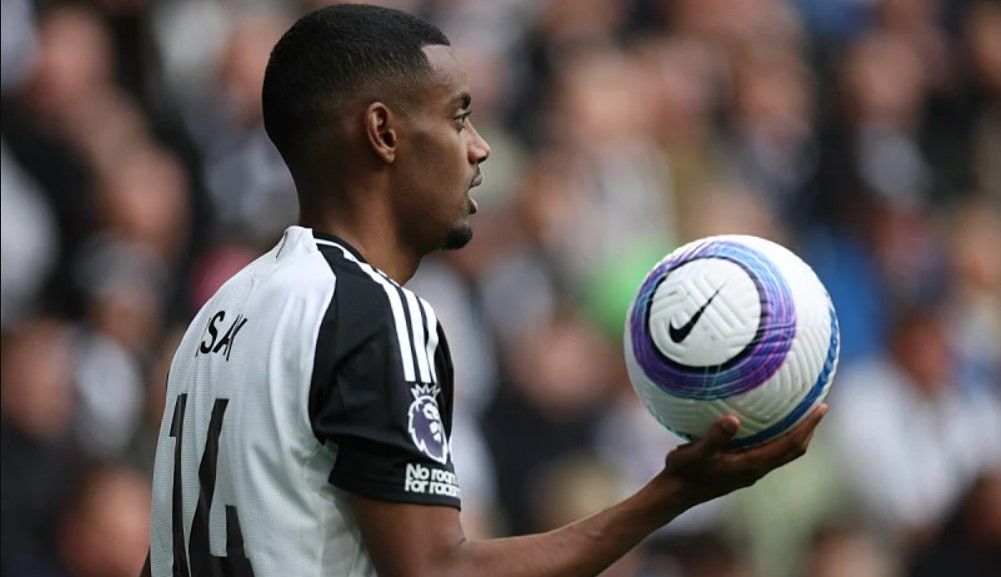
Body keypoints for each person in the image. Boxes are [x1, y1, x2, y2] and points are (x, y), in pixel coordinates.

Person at [141, 5, 826, 577]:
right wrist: (673, 492)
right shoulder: (372, 313)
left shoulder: (218, 315)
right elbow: (439, 572)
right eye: (458, 116)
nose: (479, 147)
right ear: (383, 133)